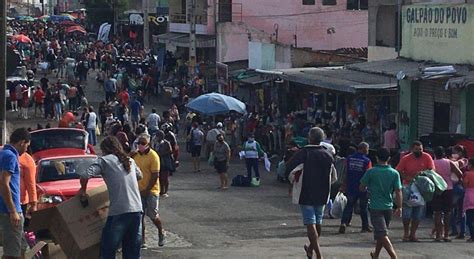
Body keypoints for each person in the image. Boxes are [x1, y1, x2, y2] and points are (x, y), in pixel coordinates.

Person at [79, 136, 143, 259]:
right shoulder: (129, 160)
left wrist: (83, 191)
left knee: (108, 248)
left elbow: (85, 174)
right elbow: (140, 176)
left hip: (119, 211)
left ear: (104, 150)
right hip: (137, 209)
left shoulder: (104, 161)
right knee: (132, 250)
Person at [285, 127, 334, 259]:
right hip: (323, 193)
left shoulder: (303, 153)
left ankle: (318, 255)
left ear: (309, 138)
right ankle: (311, 249)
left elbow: (289, 168)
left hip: (306, 192)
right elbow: (333, 176)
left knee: (310, 224)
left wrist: (291, 182)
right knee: (318, 223)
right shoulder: (328, 154)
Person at [359, 147, 402, 259]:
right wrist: (400, 206)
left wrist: (368, 189)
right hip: (388, 206)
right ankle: (376, 255)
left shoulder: (371, 172)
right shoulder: (394, 173)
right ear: (389, 158)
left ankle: (394, 256)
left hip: (375, 206)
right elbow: (398, 191)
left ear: (376, 158)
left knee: (382, 234)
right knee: (381, 233)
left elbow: (362, 187)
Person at [0, 128, 31, 259]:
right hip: (10, 210)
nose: (26, 150)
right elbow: (3, 183)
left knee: (21, 247)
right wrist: (12, 210)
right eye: (27, 146)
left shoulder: (3, 153)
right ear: (22, 142)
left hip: (9, 209)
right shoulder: (10, 156)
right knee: (13, 253)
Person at [396, 141, 435, 242]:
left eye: (421, 149)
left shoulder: (427, 157)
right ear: (412, 149)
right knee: (407, 213)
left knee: (418, 213)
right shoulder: (406, 158)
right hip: (408, 187)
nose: (419, 151)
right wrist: (407, 177)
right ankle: (406, 233)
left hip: (422, 188)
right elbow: (399, 170)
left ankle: (413, 234)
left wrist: (423, 174)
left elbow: (432, 170)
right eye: (417, 149)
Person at [132, 134, 165, 247]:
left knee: (153, 215)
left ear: (148, 144)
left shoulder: (153, 156)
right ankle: (142, 240)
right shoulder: (135, 156)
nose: (140, 145)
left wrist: (147, 190)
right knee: (140, 216)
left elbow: (155, 175)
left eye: (143, 143)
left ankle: (161, 231)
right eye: (138, 143)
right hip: (138, 190)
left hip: (152, 190)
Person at [339, 142, 372, 234]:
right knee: (363, 207)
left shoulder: (349, 159)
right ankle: (365, 226)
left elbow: (345, 172)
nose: (368, 151)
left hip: (351, 186)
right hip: (362, 187)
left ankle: (343, 223)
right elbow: (368, 174)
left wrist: (343, 184)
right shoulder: (367, 161)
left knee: (349, 205)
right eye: (367, 149)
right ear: (363, 149)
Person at [432, 146, 463, 242]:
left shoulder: (432, 163)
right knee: (447, 212)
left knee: (437, 212)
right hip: (448, 188)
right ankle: (446, 235)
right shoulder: (449, 162)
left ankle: (438, 235)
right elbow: (460, 173)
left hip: (436, 189)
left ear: (435, 154)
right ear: (444, 154)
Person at [152, 130, 173, 197]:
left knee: (165, 177)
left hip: (165, 162)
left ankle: (165, 191)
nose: (157, 137)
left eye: (159, 136)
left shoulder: (166, 143)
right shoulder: (155, 143)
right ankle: (161, 190)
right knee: (160, 177)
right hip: (158, 162)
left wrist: (161, 154)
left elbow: (170, 151)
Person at [19, 151, 37, 226]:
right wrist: (33, 205)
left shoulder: (27, 160)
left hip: (20, 201)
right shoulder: (26, 159)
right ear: (22, 142)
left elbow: (31, 184)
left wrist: (33, 203)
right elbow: (30, 183)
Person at [463, 158, 474, 242]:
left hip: (470, 197)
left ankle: (472, 236)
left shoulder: (468, 174)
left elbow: (465, 184)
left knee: (469, 220)